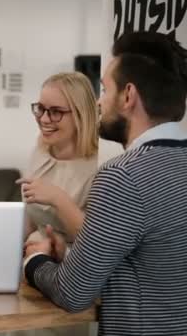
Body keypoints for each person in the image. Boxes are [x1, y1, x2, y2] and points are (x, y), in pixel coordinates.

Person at [24, 31, 187, 335]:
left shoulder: (122, 176)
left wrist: (35, 261)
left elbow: (72, 293)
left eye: (104, 90)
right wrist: (71, 256)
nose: (98, 102)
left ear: (128, 96)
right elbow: (148, 265)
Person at [18, 72, 98, 244]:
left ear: (80, 115)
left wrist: (58, 199)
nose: (44, 119)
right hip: (34, 259)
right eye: (40, 109)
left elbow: (96, 245)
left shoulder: (102, 168)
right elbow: (30, 221)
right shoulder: (40, 151)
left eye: (56, 112)